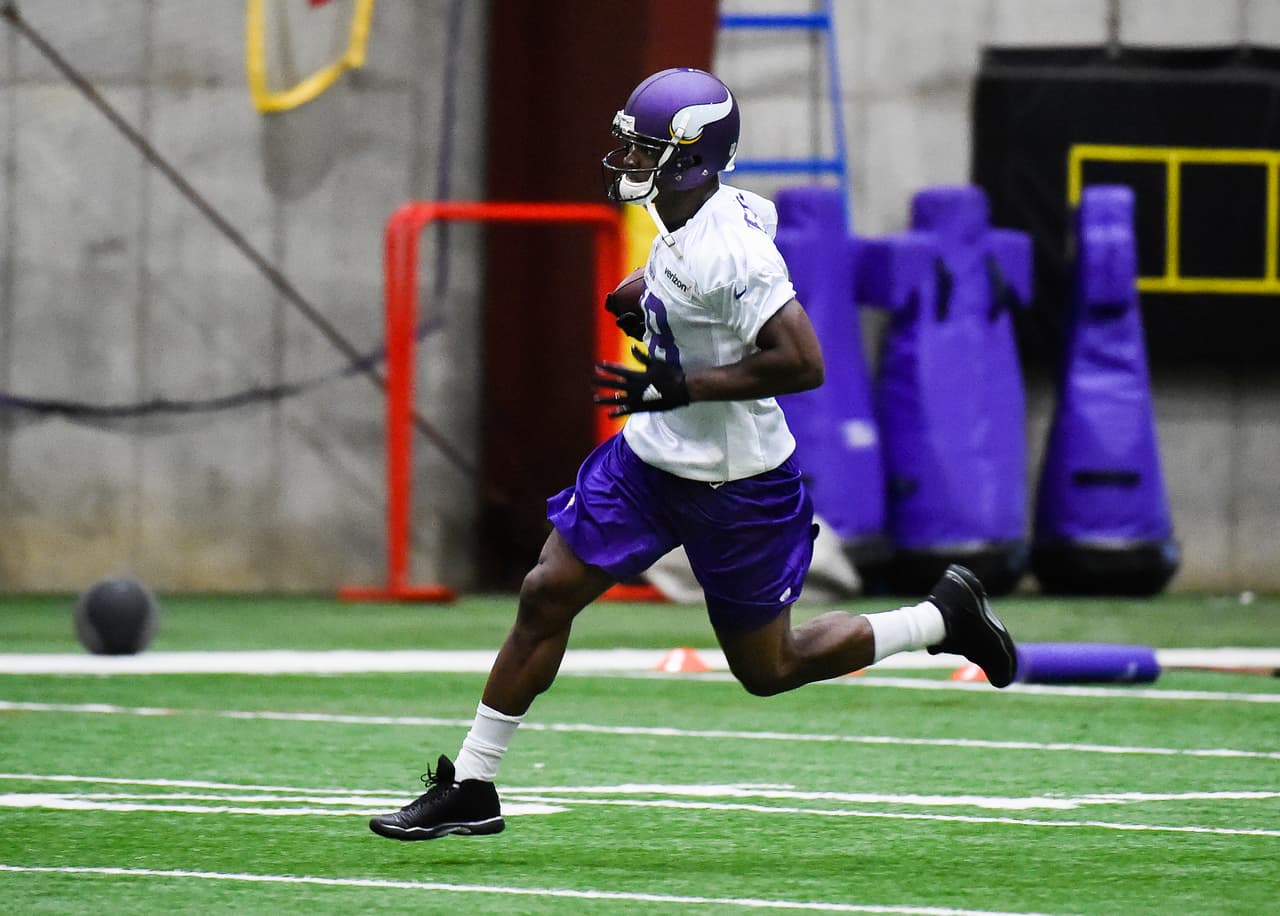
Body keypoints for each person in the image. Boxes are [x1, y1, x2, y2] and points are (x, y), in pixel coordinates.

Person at [369, 68, 1018, 842]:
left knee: (768, 669)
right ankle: (474, 785)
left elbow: (803, 361)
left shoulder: (734, 252)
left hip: (736, 484)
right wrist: (647, 290)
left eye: (645, 149)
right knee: (546, 593)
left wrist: (685, 383)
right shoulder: (700, 213)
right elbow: (704, 262)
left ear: (693, 159)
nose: (628, 160)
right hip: (650, 462)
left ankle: (938, 618)